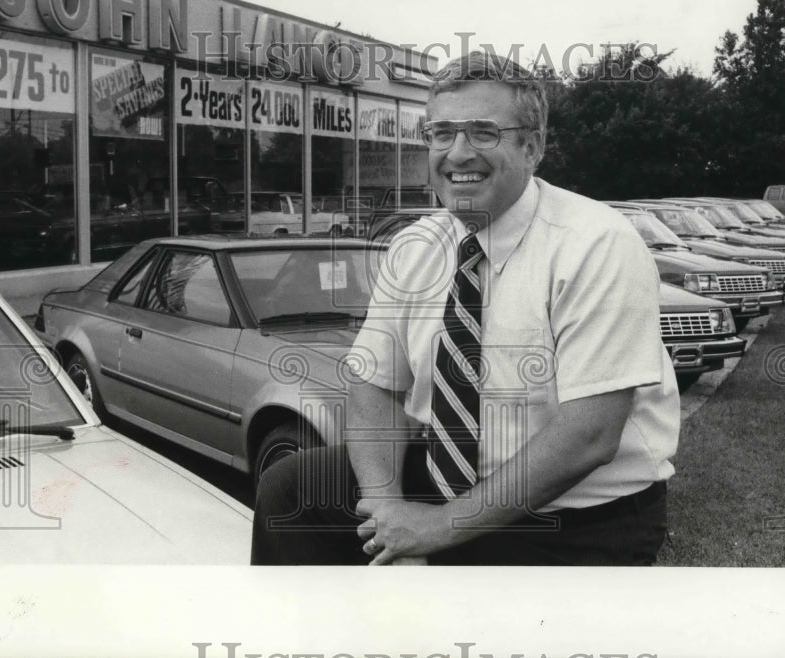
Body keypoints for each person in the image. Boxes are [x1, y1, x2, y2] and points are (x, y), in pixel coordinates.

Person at [251, 51, 680, 565]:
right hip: (441, 476)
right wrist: (388, 511)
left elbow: (589, 436)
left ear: (532, 147)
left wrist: (438, 528)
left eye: (482, 133)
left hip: (573, 514)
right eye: (441, 133)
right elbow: (372, 381)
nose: (457, 154)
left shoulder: (598, 243)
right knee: (291, 489)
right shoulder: (416, 245)